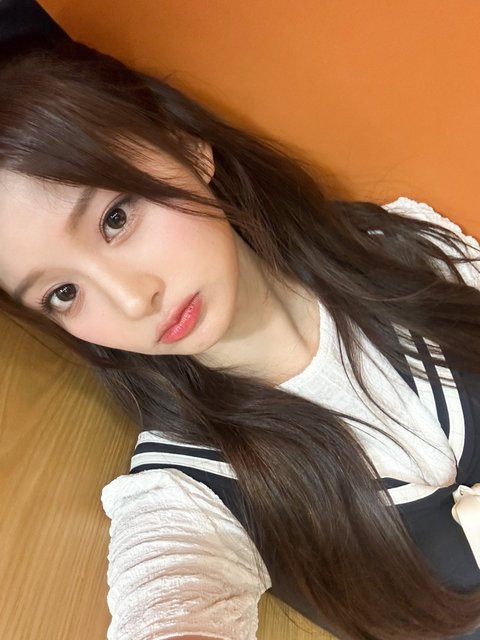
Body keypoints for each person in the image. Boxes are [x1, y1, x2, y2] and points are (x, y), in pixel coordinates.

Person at [0, 35, 479, 640]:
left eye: (115, 219)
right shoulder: (187, 488)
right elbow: (169, 601)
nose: (132, 300)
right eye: (64, 293)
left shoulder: (409, 250)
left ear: (187, 148)